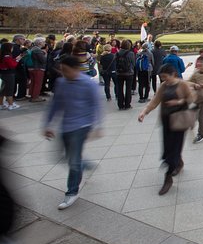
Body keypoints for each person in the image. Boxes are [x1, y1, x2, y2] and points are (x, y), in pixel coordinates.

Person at [44, 55, 103, 209]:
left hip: (82, 126)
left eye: (66, 70)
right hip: (66, 125)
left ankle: (72, 192)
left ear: (76, 69)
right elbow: (55, 105)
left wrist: (98, 126)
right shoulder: (61, 82)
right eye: (61, 70)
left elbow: (97, 105)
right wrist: (48, 124)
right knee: (58, 156)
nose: (63, 73)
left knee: (73, 161)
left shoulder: (88, 84)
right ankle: (83, 164)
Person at [138, 64, 195, 196]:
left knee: (174, 148)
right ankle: (178, 162)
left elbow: (191, 98)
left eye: (165, 77)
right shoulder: (163, 86)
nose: (164, 80)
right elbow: (155, 101)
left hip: (180, 120)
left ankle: (168, 177)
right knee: (168, 147)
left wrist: (179, 102)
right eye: (162, 78)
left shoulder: (182, 85)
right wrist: (144, 112)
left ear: (173, 74)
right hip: (166, 120)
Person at [115, 40, 136, 110]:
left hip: (119, 73)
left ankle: (120, 104)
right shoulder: (131, 53)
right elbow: (133, 63)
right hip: (129, 73)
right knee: (128, 89)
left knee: (120, 89)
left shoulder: (117, 53)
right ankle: (127, 104)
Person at [0, 42, 19, 110]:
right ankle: (11, 105)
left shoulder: (2, 55)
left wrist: (15, 59)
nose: (12, 49)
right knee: (9, 90)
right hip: (9, 74)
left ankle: (1, 104)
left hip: (2, 73)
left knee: (2, 90)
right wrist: (17, 60)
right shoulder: (7, 57)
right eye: (11, 47)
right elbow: (12, 65)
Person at [27, 37, 47, 103]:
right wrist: (45, 54)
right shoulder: (37, 50)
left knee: (33, 82)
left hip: (31, 68)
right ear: (40, 43)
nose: (45, 43)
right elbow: (43, 60)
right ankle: (35, 97)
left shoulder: (32, 48)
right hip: (38, 68)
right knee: (38, 83)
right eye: (44, 42)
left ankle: (32, 95)